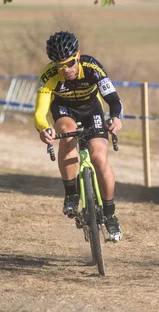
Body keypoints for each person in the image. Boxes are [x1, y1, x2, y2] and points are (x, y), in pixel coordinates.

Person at [34, 31, 124, 243]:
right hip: (64, 110)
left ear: (78, 55)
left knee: (99, 159)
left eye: (70, 63)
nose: (66, 70)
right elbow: (40, 112)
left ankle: (110, 214)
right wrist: (43, 128)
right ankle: (71, 194)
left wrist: (116, 118)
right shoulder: (48, 76)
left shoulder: (92, 67)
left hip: (92, 109)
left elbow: (113, 99)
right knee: (67, 132)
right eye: (59, 66)